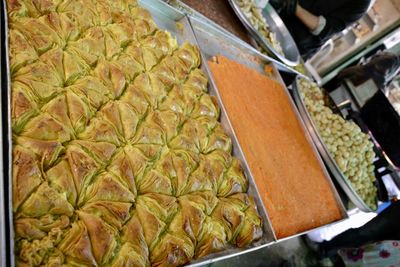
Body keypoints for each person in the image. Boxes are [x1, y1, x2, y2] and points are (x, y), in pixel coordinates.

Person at [270, 0, 372, 60]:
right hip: (275, 14)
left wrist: (296, 8)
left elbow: (323, 29)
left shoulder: (361, 3)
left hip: (295, 43)